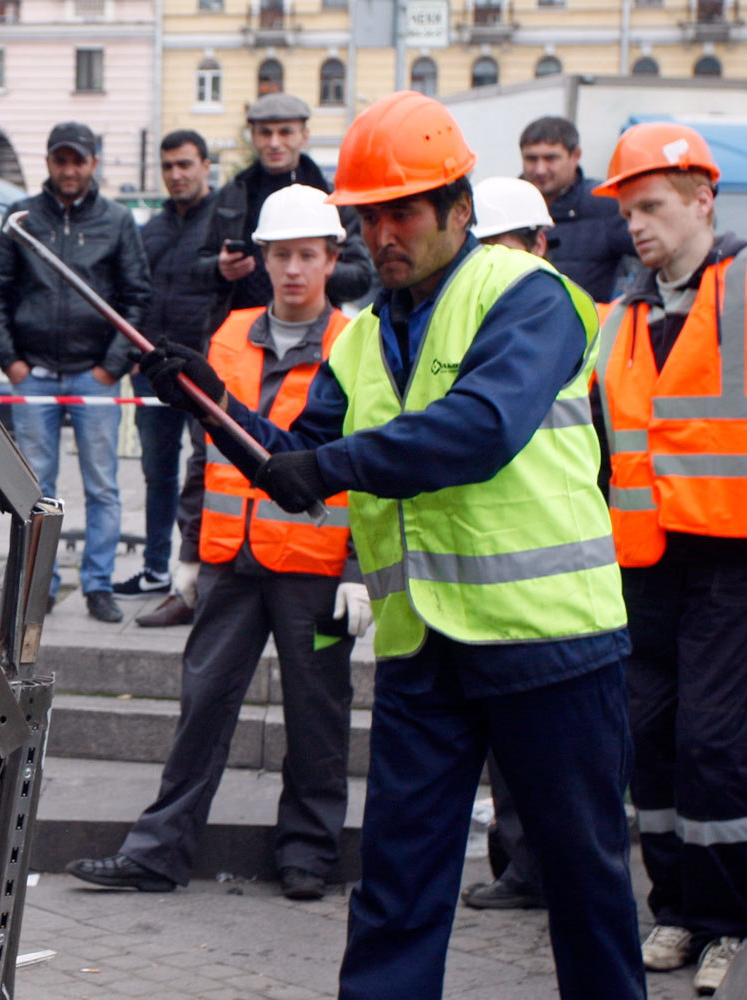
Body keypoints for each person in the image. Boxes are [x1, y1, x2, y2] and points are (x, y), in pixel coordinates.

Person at [140, 91, 642, 1000]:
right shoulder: (365, 337)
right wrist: (210, 402)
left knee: (585, 884)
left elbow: (479, 430)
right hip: (424, 650)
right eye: (368, 218)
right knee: (396, 889)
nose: (381, 236)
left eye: (401, 212)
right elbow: (294, 463)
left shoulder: (532, 296)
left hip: (549, 643)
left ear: (459, 209)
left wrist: (326, 465)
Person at [67, 184, 370, 900]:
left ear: (332, 259)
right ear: (261, 258)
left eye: (307, 255)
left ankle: (307, 853)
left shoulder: (358, 344)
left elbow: (366, 464)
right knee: (201, 706)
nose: (293, 269)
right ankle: (158, 853)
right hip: (231, 561)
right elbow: (206, 453)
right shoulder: (230, 335)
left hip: (319, 569)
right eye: (281, 255)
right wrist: (189, 548)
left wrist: (360, 570)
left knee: (319, 714)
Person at [590, 121, 747, 995]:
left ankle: (727, 920)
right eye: (627, 213)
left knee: (712, 743)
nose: (637, 226)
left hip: (730, 560)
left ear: (702, 199)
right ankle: (676, 908)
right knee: (649, 740)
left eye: (651, 206)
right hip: (644, 564)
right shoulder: (621, 318)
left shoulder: (744, 290)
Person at [0, 121, 150, 623]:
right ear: (49, 162)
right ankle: (41, 585)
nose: (70, 170)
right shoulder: (22, 217)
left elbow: (137, 298)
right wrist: (11, 362)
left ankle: (98, 584)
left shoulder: (116, 220)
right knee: (35, 489)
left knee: (103, 486)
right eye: (61, 160)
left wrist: (110, 368)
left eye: (78, 160)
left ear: (94, 163)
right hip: (33, 374)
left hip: (92, 376)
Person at [455, 174, 557, 913]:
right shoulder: (461, 326)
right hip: (492, 571)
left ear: (540, 245)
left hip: (556, 577)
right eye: (481, 250)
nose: (491, 266)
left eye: (505, 249)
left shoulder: (562, 316)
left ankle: (542, 872)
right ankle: (520, 869)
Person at [114, 130, 218, 617]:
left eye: (185, 164)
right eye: (168, 166)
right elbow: (132, 294)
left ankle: (201, 571)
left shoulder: (223, 223)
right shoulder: (150, 230)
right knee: (158, 474)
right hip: (153, 372)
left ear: (206, 166)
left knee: (208, 473)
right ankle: (156, 569)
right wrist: (134, 352)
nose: (176, 175)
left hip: (207, 372)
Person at [198, 92, 374, 336]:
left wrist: (316, 269)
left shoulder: (333, 199)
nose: (274, 142)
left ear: (304, 136)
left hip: (317, 336)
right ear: (253, 136)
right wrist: (220, 268)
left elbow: (360, 278)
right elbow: (198, 268)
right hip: (242, 335)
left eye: (285, 132)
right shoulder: (232, 194)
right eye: (265, 133)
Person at [520, 115, 635, 301]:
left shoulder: (605, 203)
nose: (540, 169)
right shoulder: (506, 205)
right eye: (531, 159)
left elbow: (656, 257)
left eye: (550, 158)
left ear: (576, 156)